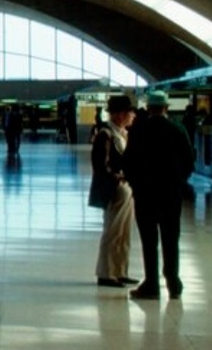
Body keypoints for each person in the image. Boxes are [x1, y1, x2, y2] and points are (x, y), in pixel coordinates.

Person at [122, 90, 195, 300]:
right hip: (171, 195)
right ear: (167, 107)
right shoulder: (178, 129)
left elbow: (129, 162)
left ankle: (151, 284)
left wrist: (136, 184)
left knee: (149, 240)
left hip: (145, 194)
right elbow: (189, 162)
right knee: (171, 238)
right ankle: (173, 282)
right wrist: (178, 181)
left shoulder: (138, 129)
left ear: (148, 107)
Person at [89, 94, 136, 288]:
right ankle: (106, 273)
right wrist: (116, 178)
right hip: (115, 188)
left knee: (124, 232)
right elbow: (100, 163)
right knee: (112, 230)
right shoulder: (106, 134)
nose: (133, 116)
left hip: (126, 187)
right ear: (120, 115)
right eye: (130, 113)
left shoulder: (123, 133)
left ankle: (120, 270)